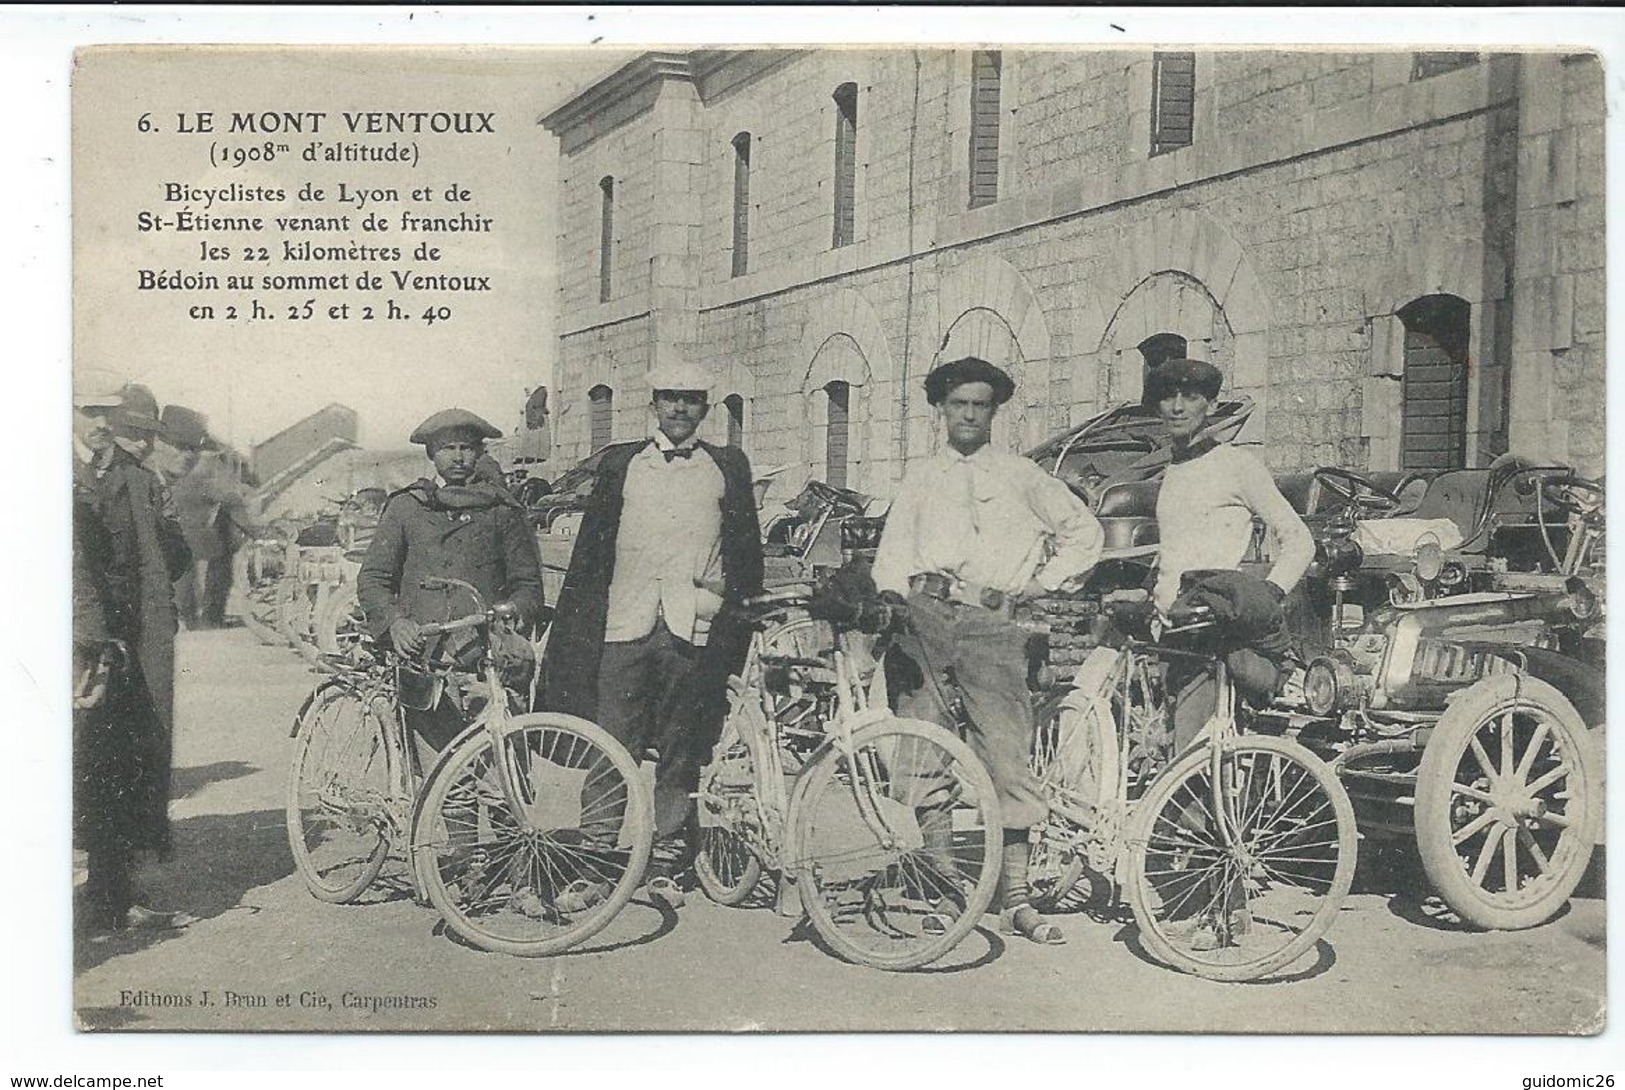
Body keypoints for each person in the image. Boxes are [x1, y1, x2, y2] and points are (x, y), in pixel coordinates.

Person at [871, 355, 1105, 946]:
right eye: (958, 404)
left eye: (980, 404)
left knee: (1006, 755)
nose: (969, 414)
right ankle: (943, 887)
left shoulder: (1022, 476)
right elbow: (893, 554)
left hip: (991, 626)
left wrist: (1041, 586)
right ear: (941, 410)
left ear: (994, 411)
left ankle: (1016, 899)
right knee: (924, 749)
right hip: (923, 620)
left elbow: (1085, 532)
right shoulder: (921, 477)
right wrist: (889, 609)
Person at [539, 355, 764, 907]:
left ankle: (666, 858)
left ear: (705, 409)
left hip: (693, 626)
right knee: (610, 741)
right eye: (670, 398)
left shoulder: (726, 467)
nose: (680, 408)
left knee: (682, 745)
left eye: (691, 399)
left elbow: (745, 551)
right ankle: (595, 857)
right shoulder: (624, 465)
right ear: (654, 405)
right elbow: (594, 551)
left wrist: (733, 613)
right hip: (625, 622)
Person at [356, 409, 544, 766]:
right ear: (432, 455)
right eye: (447, 448)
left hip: (490, 660)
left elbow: (528, 585)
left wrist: (514, 613)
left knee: (504, 778)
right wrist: (395, 622)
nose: (458, 457)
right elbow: (373, 579)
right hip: (428, 660)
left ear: (479, 453)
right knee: (448, 784)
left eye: (467, 448)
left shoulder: (501, 510)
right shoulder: (406, 508)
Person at [75, 380, 195, 933]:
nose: (139, 443)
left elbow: (161, 561)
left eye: (147, 435)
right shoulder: (72, 475)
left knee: (118, 763)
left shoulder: (137, 482)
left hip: (124, 643)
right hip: (83, 639)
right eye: (131, 433)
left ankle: (111, 894)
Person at [1148, 358, 1315, 752]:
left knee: (1187, 761)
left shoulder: (1237, 466)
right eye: (1168, 397)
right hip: (1171, 635)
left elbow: (1299, 539)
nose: (1177, 407)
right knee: (1164, 754)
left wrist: (1267, 596)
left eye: (1190, 397)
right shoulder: (1169, 471)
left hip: (1213, 633)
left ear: (1209, 405)